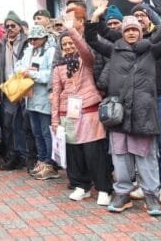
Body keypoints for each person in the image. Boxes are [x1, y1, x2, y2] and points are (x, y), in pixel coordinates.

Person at [86, 0, 161, 217]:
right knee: (120, 156)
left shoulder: (151, 50)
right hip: (118, 114)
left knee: (146, 157)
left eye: (134, 30)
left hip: (143, 113)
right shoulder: (113, 50)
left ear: (140, 32)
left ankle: (151, 194)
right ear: (122, 32)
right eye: (127, 29)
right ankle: (123, 193)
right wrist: (96, 15)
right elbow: (92, 39)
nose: (130, 33)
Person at [50, 23, 112, 206]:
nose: (68, 46)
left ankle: (103, 188)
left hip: (89, 112)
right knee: (74, 153)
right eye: (65, 44)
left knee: (94, 153)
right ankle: (81, 186)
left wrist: (71, 31)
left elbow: (84, 49)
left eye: (71, 43)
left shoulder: (86, 61)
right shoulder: (58, 68)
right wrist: (55, 119)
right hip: (67, 115)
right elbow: (56, 94)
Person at [15, 25, 58, 181]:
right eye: (31, 39)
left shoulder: (50, 51)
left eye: (36, 39)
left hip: (44, 98)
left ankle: (50, 163)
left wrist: (32, 74)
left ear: (44, 37)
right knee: (36, 132)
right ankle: (41, 160)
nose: (33, 41)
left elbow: (51, 75)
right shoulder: (29, 50)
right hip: (30, 98)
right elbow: (18, 65)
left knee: (46, 133)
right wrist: (22, 71)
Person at [0, 10, 27, 171]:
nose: (9, 29)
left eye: (13, 25)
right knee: (8, 124)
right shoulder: (1, 44)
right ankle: (12, 156)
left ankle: (26, 157)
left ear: (19, 27)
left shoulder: (27, 42)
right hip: (8, 90)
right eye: (7, 26)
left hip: (25, 89)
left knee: (24, 124)